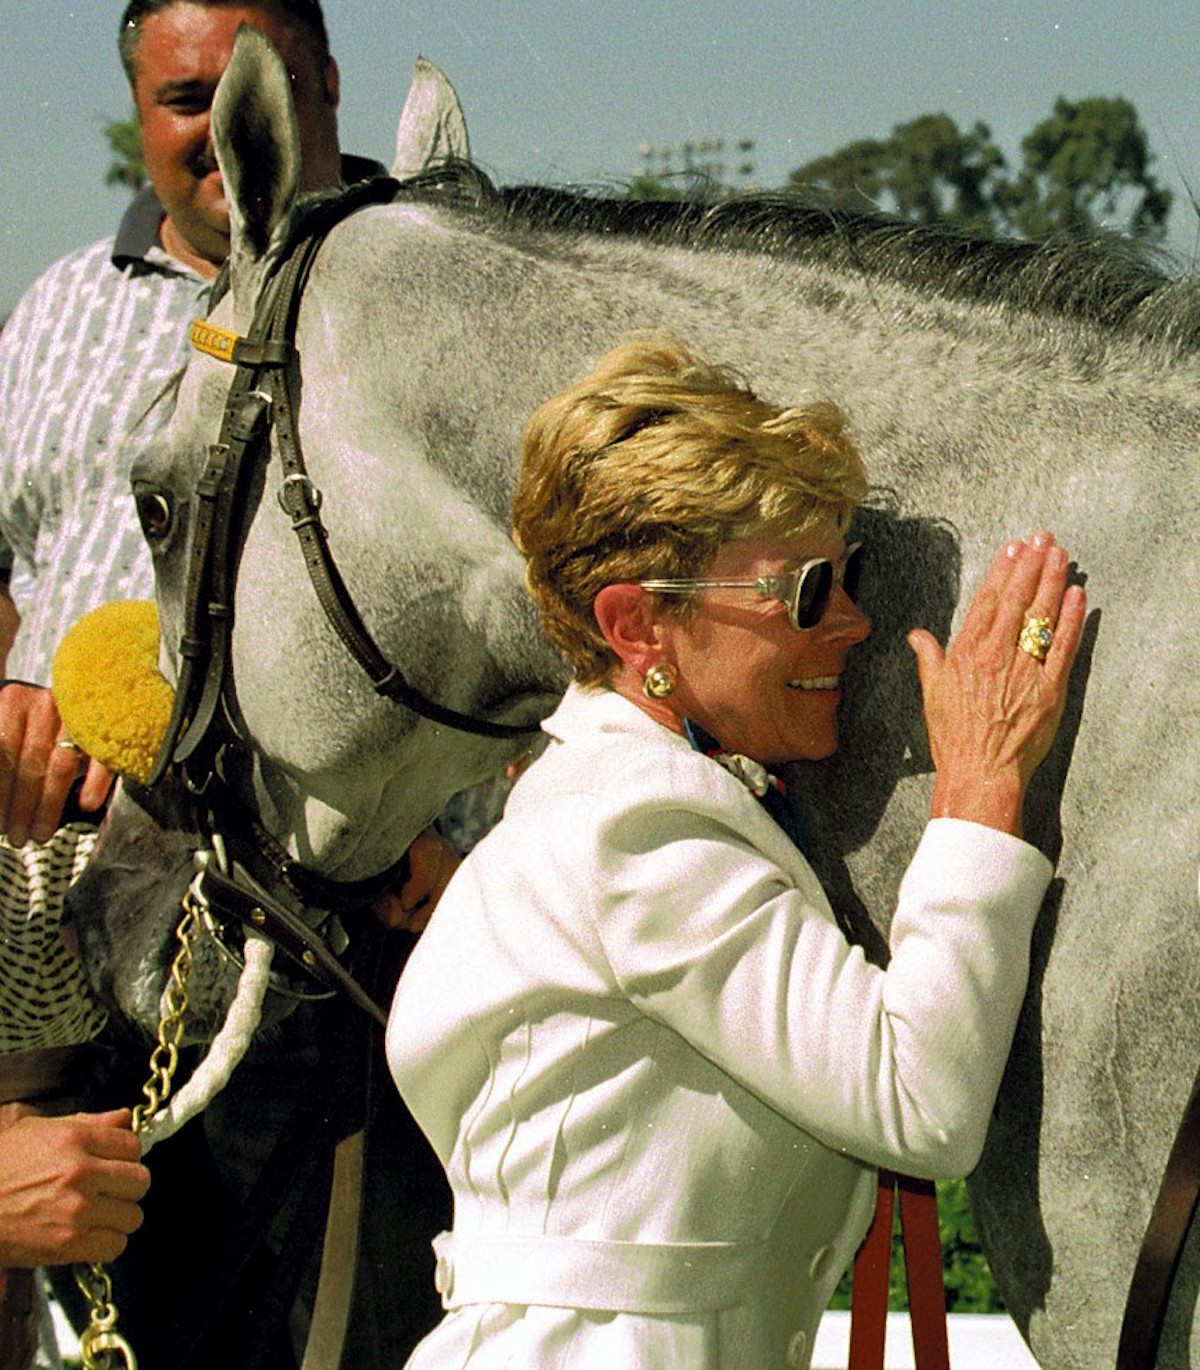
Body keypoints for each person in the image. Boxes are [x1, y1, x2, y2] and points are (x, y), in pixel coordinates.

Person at [386, 332, 1087, 1369]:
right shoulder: (633, 822)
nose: (851, 622)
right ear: (638, 626)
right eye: (806, 589)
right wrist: (981, 784)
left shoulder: (621, 791)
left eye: (847, 574)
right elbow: (918, 1096)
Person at [0, 4, 453, 1365]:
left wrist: (457, 827)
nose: (212, 127)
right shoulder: (57, 307)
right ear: (140, 111)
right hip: (43, 923)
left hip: (319, 937)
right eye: (179, 96)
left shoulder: (427, 293)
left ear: (321, 84)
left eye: (244, 87)